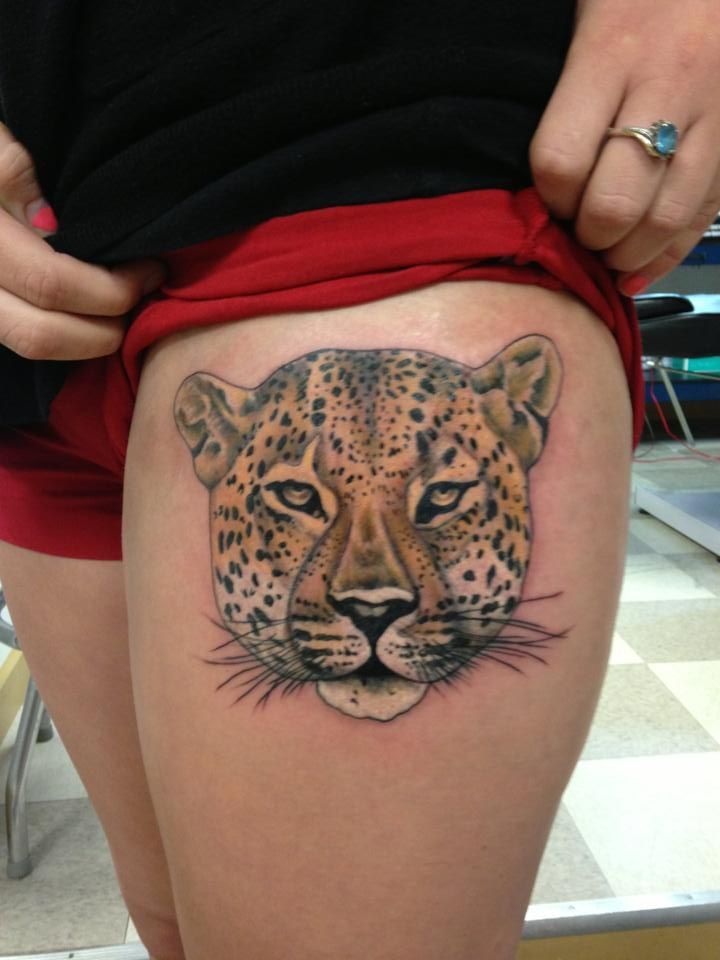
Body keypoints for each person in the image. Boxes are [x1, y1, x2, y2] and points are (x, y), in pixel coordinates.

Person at [0, 2, 718, 958]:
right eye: (303, 502)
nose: (371, 587)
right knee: (170, 925)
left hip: (383, 173)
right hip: (41, 310)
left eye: (443, 499)